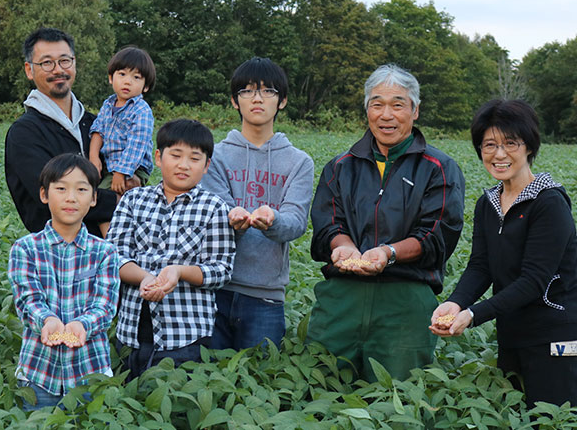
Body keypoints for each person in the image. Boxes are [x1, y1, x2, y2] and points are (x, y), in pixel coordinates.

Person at [307, 64, 465, 382]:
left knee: (399, 399)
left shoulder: (438, 168)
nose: (386, 114)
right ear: (367, 109)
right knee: (321, 388)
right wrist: (344, 247)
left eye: (397, 104)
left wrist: (387, 253)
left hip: (405, 302)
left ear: (415, 110)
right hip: (342, 299)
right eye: (377, 104)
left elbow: (437, 234)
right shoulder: (340, 167)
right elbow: (327, 223)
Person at [430, 99, 577, 408]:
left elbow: (534, 281)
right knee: (515, 415)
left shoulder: (548, 203)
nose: (499, 154)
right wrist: (454, 304)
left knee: (551, 418)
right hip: (511, 333)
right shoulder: (488, 203)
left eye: (510, 143)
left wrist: (471, 316)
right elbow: (481, 266)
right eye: (489, 145)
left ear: (529, 146)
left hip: (556, 337)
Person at [107, 119, 235, 379]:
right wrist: (145, 277)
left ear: (207, 165)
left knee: (174, 407)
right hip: (131, 329)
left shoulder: (214, 207)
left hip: (186, 336)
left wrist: (179, 271)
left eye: (194, 158)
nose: (183, 165)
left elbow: (221, 270)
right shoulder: (133, 200)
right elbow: (112, 257)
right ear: (158, 157)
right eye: (175, 155)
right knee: (125, 399)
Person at [202, 57, 314, 350]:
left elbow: (297, 220)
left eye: (268, 92)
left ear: (283, 101)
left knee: (262, 380)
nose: (257, 99)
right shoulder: (215, 155)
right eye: (247, 91)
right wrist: (232, 220)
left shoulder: (299, 161)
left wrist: (273, 220)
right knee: (212, 380)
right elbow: (212, 213)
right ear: (234, 101)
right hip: (215, 288)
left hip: (266, 295)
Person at [8, 153, 120, 411]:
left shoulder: (105, 252)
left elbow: (105, 307)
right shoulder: (25, 249)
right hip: (38, 375)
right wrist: (49, 321)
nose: (71, 197)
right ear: (44, 194)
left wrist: (81, 324)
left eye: (81, 189)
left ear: (93, 198)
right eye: (61, 188)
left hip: (89, 373)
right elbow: (28, 301)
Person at [4, 27, 117, 237]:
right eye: (47, 63)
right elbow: (53, 196)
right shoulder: (24, 133)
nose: (58, 70)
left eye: (65, 60)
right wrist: (121, 200)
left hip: (110, 251)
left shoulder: (96, 123)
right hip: (56, 254)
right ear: (29, 70)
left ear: (75, 63)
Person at [88, 45, 156, 235]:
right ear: (111, 78)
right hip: (109, 166)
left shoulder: (141, 110)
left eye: (137, 77)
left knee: (102, 200)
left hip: (132, 168)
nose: (128, 81)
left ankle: (111, 242)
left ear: (146, 86)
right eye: (122, 74)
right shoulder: (108, 105)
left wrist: (121, 173)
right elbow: (97, 131)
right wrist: (94, 158)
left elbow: (137, 144)